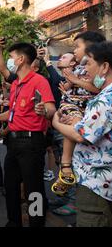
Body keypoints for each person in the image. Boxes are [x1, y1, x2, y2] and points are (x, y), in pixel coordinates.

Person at [0, 42, 56, 227]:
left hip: (32, 143)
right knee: (11, 187)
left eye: (12, 57)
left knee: (34, 191)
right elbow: (12, 113)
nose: (10, 61)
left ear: (21, 59)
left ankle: (36, 224)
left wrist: (43, 110)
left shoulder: (39, 81)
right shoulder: (16, 83)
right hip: (14, 143)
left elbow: (50, 108)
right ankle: (13, 222)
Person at [52, 41, 112, 227]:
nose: (85, 68)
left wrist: (55, 122)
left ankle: (66, 166)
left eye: (89, 63)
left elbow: (80, 135)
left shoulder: (104, 99)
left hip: (97, 185)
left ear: (104, 67)